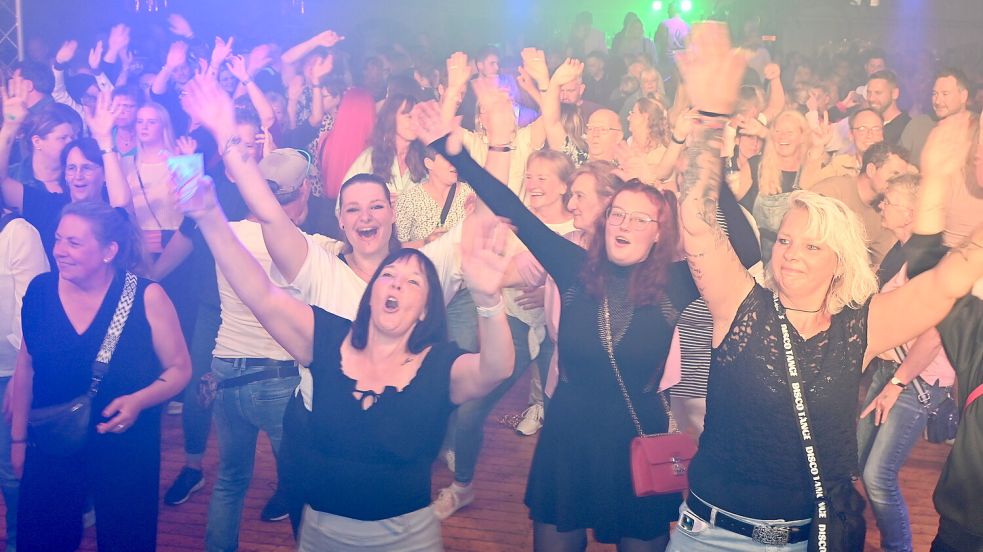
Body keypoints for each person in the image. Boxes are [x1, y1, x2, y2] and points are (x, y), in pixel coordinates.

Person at [666, 22, 983, 551]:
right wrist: (709, 120)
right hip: (712, 535)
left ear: (840, 263)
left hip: (804, 539)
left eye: (813, 247)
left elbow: (947, 282)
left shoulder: (858, 329)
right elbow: (696, 218)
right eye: (787, 241)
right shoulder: (740, 308)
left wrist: (937, 175)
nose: (791, 255)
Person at [414, 94, 758, 549]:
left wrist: (709, 145)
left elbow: (745, 249)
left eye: (641, 219)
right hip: (568, 439)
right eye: (618, 214)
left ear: (660, 233)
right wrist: (453, 151)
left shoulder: (677, 283)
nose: (625, 224)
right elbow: (510, 207)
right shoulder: (574, 265)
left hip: (638, 440)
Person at [178, 150, 515, 549]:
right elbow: (261, 288)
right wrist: (212, 207)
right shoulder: (328, 330)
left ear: (393, 211)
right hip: (324, 490)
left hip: (406, 520)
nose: (395, 285)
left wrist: (498, 142)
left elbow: (494, 366)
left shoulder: (430, 333)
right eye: (353, 209)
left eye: (376, 206)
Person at [9, 201, 191, 551]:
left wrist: (140, 401)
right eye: (58, 239)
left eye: (74, 243)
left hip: (124, 446)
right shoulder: (40, 291)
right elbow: (26, 366)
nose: (60, 251)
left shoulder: (146, 296)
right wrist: (18, 441)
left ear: (109, 251)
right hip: (51, 441)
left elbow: (180, 369)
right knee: (43, 538)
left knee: (126, 538)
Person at [856, 174, 956, 552]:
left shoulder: (932, 259)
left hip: (916, 380)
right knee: (857, 460)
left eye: (890, 201)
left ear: (912, 212)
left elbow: (934, 335)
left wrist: (896, 384)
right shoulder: (902, 254)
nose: (882, 205)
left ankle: (898, 548)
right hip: (891, 372)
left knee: (878, 474)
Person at [1, 85, 131, 267]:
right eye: (71, 168)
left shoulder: (106, 202)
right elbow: (2, 181)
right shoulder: (50, 205)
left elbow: (121, 203)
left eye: (86, 168)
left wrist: (105, 138)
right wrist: (10, 126)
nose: (78, 175)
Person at [0, 210, 49, 551]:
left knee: (12, 471)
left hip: (9, 374)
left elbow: (34, 315)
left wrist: (20, 376)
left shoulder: (17, 233)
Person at [343, 93, 427, 203]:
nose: (415, 122)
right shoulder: (371, 158)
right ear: (391, 118)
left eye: (418, 117)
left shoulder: (423, 160)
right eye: (409, 116)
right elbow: (343, 204)